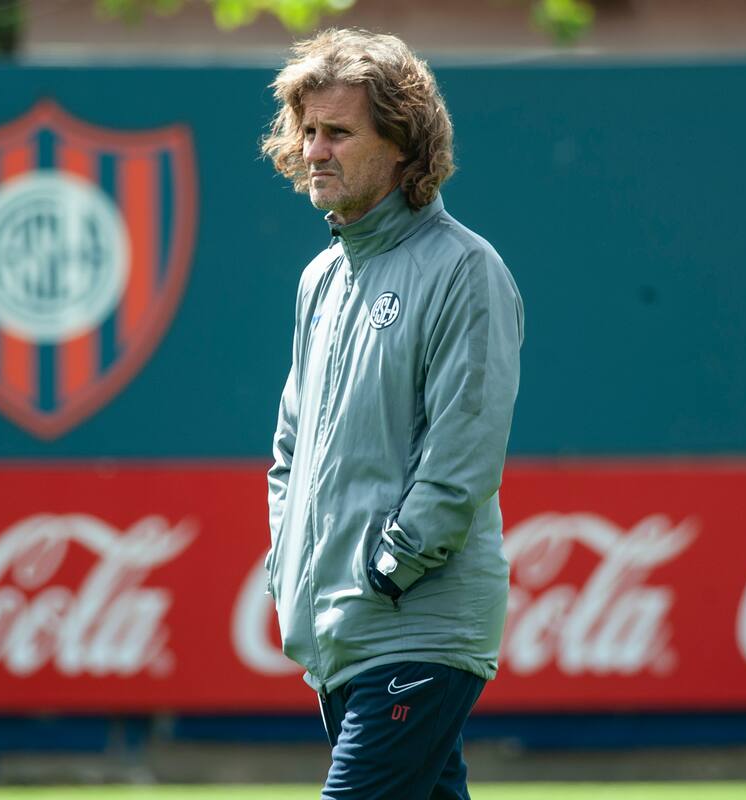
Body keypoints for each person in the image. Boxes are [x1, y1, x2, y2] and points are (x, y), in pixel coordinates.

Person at [262, 28, 524, 800]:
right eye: (307, 131)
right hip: (341, 633)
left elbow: (465, 451)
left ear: (403, 145)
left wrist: (391, 565)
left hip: (415, 626)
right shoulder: (321, 280)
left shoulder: (464, 269)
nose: (314, 149)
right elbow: (289, 450)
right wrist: (289, 566)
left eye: (338, 132)